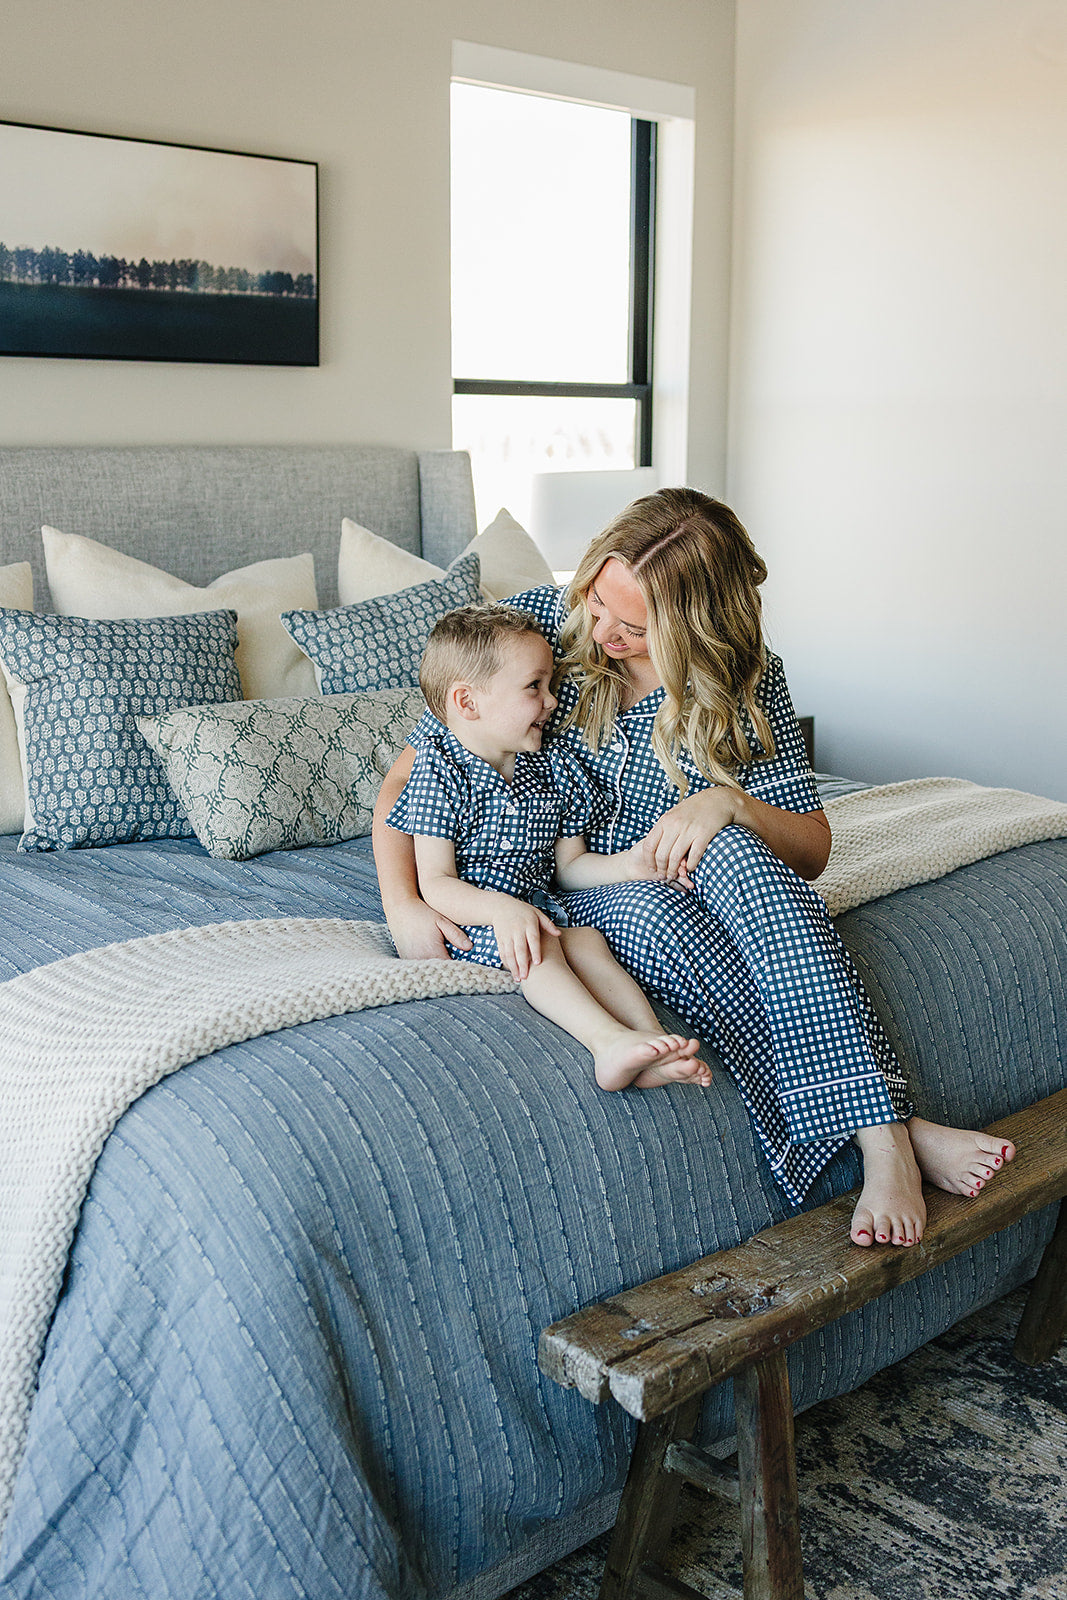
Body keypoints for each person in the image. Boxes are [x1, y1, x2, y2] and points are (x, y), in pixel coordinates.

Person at [373, 488, 1015, 1248]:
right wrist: (404, 905)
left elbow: (810, 849)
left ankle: (882, 1144)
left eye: (632, 625)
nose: (601, 630)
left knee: (745, 859)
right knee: (658, 917)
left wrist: (727, 803)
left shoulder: (748, 680)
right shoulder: (542, 627)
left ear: (691, 627)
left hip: (695, 854)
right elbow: (417, 770)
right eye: (595, 600)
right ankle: (899, 1126)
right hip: (587, 878)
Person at [386, 602, 712, 1092]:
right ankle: (606, 1043)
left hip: (536, 912)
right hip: (477, 925)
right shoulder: (439, 770)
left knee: (588, 941)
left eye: (552, 686)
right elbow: (435, 883)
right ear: (467, 702)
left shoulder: (550, 766)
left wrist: (636, 864)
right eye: (534, 687)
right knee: (541, 945)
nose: (553, 701)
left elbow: (572, 868)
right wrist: (502, 911)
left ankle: (650, 1044)